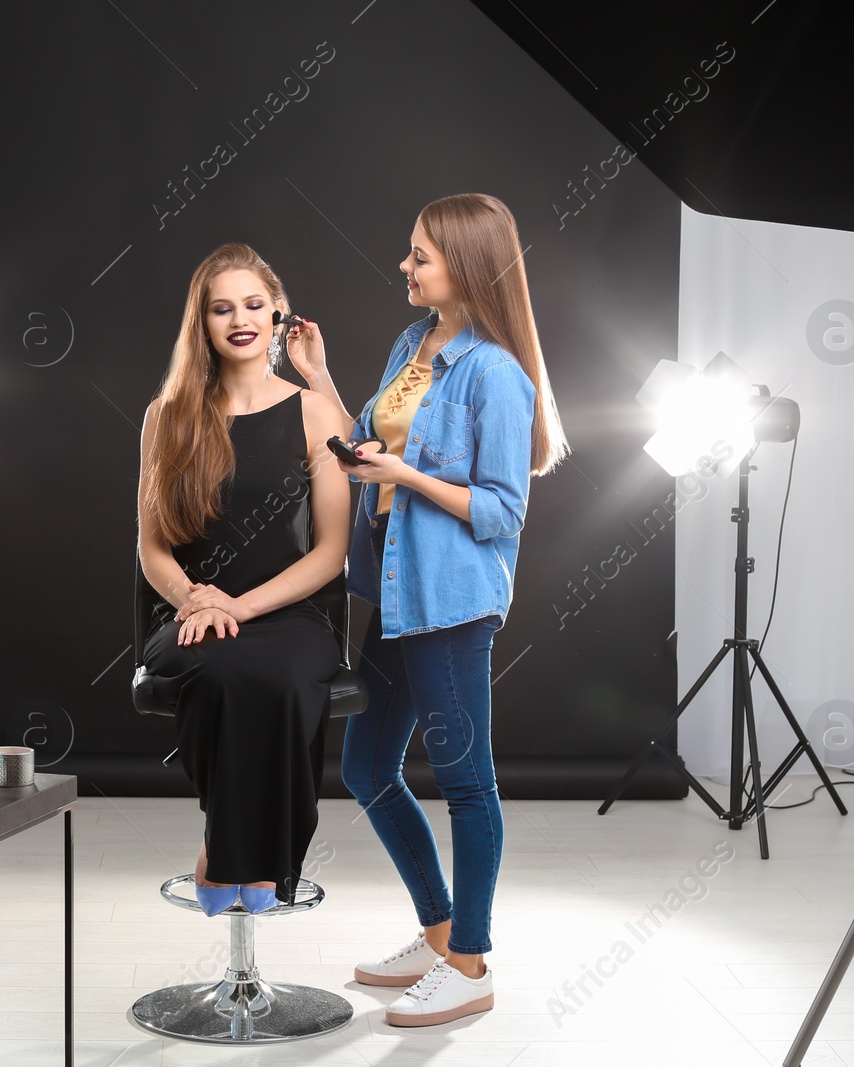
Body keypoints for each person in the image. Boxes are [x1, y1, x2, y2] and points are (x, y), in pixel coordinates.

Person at [291, 193, 569, 1025]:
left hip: (451, 606)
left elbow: (499, 511)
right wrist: (321, 380)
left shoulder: (498, 373)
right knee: (369, 768)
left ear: (468, 264)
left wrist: (405, 478)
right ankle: (441, 928)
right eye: (408, 252)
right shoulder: (412, 344)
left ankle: (473, 962)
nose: (404, 267)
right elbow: (367, 447)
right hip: (391, 591)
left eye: (420, 255)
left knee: (467, 784)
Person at [137, 241, 351, 916]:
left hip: (291, 611)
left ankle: (259, 856)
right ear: (201, 323)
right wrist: (196, 599)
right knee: (222, 670)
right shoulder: (166, 415)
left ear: (279, 314)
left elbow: (332, 550)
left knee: (280, 677)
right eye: (221, 308)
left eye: (254, 305)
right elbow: (151, 549)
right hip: (193, 612)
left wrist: (240, 603)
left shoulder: (314, 410)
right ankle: (228, 844)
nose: (240, 319)